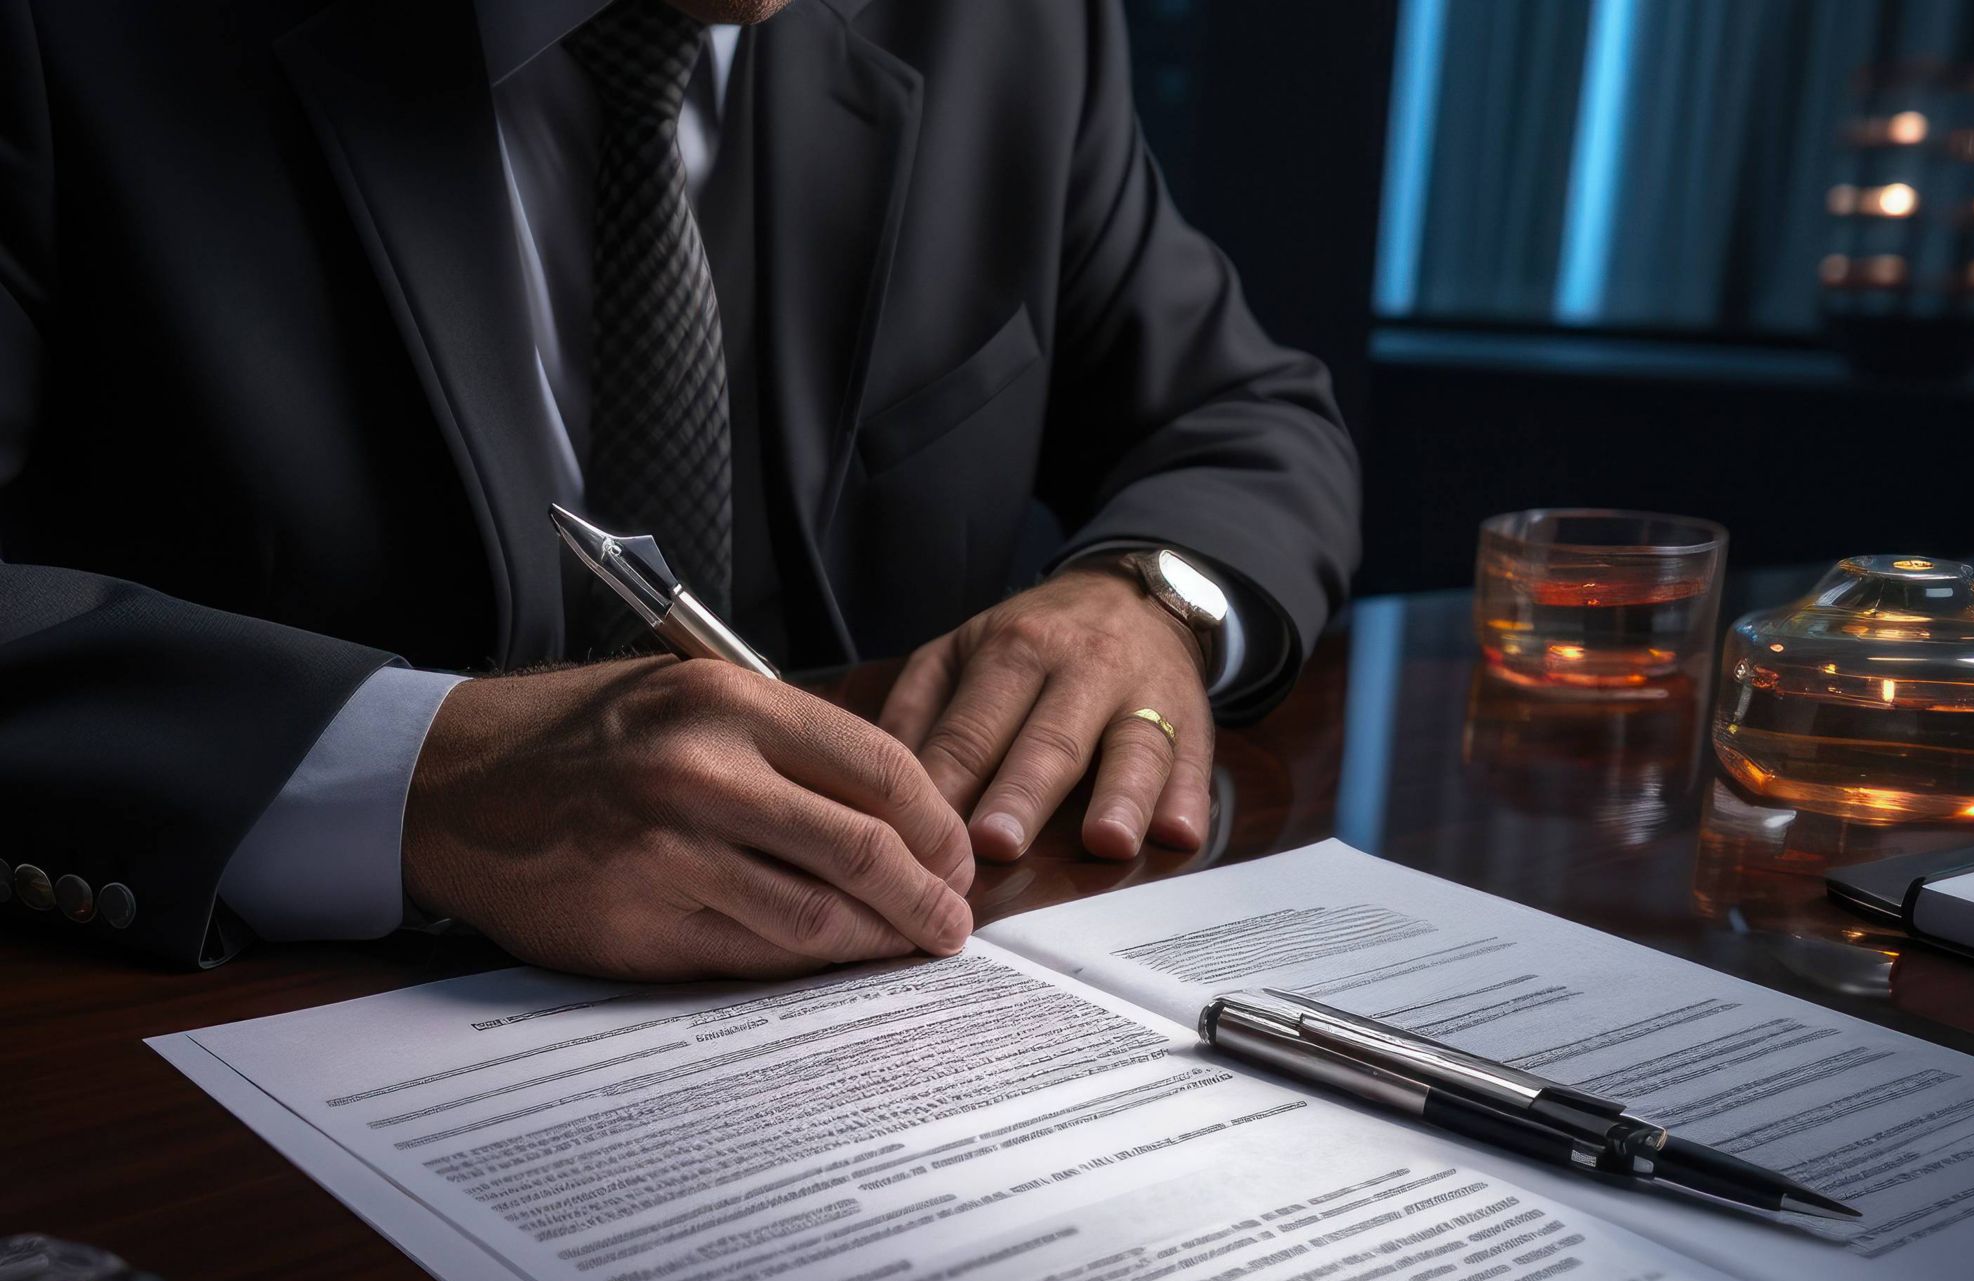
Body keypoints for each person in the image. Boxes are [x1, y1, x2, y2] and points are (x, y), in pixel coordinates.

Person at [0, 0, 1359, 977]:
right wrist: (422, 780)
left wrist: (1146, 597)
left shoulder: (1017, 30)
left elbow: (1244, 416)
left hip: (874, 1005)